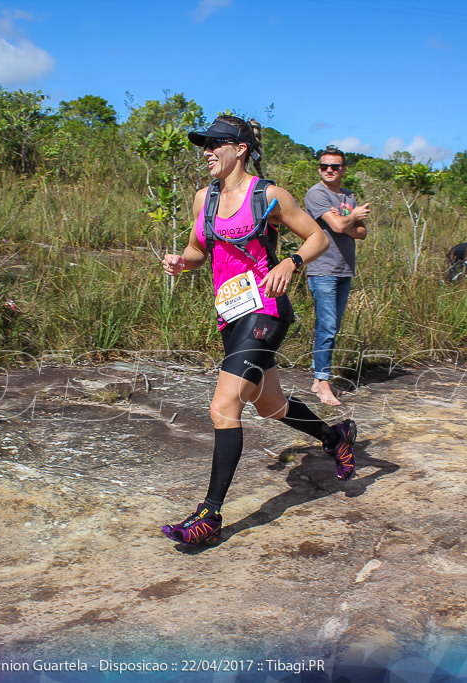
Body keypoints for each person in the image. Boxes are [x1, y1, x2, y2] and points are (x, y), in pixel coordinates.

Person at [160, 116, 357, 545]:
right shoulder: (203, 199)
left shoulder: (268, 194)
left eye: (216, 144)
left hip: (266, 310)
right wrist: (181, 261)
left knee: (224, 405)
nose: (207, 152)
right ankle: (333, 434)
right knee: (270, 406)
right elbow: (198, 250)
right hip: (229, 313)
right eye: (204, 145)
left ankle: (209, 515)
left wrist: (291, 262)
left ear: (241, 148)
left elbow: (317, 238)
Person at [302, 147, 369, 406]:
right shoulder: (316, 193)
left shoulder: (348, 196)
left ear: (343, 169)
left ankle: (318, 379)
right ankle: (323, 382)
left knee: (332, 326)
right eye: (324, 166)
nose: (329, 170)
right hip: (323, 268)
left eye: (335, 166)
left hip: (344, 268)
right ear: (319, 168)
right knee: (327, 327)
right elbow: (340, 226)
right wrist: (351, 218)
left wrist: (348, 222)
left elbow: (362, 233)